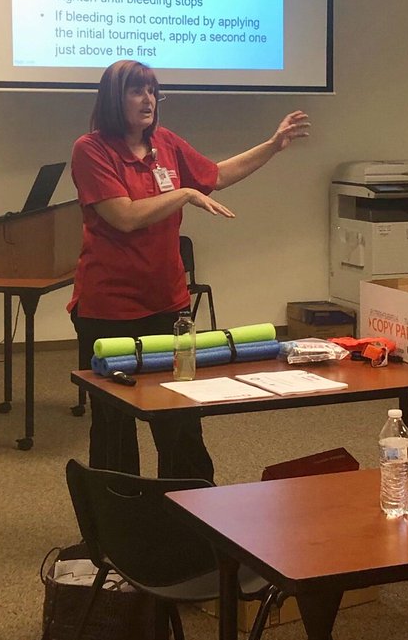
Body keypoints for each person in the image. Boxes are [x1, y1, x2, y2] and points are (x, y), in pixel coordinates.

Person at [69, 59, 309, 481]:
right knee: (113, 423)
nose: (149, 99)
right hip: (108, 309)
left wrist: (272, 145)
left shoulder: (166, 143)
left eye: (153, 90)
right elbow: (124, 216)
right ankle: (116, 521)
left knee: (180, 412)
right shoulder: (91, 149)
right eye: (137, 91)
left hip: (167, 302)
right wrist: (183, 195)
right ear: (113, 98)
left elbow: (215, 175)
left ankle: (190, 511)